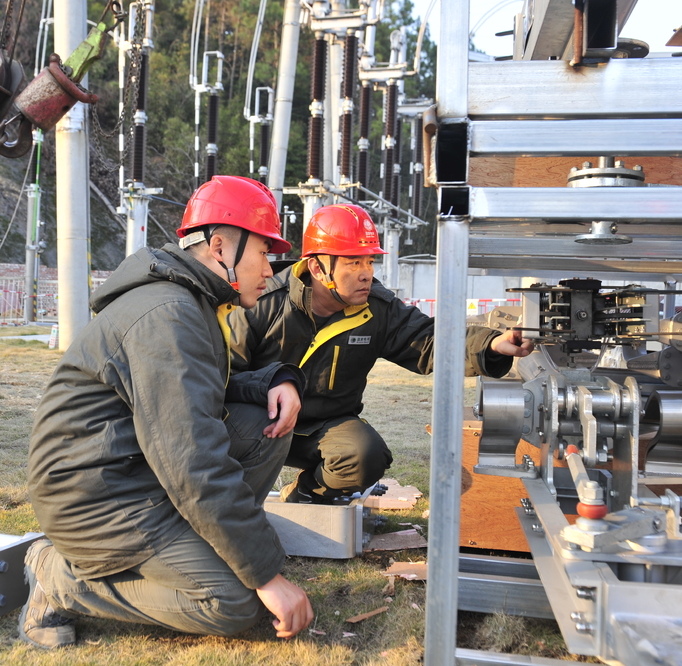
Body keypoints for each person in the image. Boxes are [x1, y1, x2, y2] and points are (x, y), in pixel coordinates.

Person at [22, 176, 313, 649]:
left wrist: (273, 381)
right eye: (263, 251)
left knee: (263, 424)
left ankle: (212, 545)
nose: (271, 267)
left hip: (130, 470)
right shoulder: (169, 314)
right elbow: (190, 457)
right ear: (221, 246)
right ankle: (60, 577)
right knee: (234, 602)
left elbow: (198, 393)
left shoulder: (189, 301)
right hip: (96, 495)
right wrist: (265, 576)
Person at [228, 203, 533, 504]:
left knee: (365, 455)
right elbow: (223, 374)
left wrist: (491, 344)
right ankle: (232, 501)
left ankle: (305, 494)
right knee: (221, 430)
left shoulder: (377, 310)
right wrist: (271, 384)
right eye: (353, 262)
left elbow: (429, 339)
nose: (366, 274)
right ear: (318, 268)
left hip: (324, 429)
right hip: (261, 420)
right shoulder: (262, 302)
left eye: (370, 261)